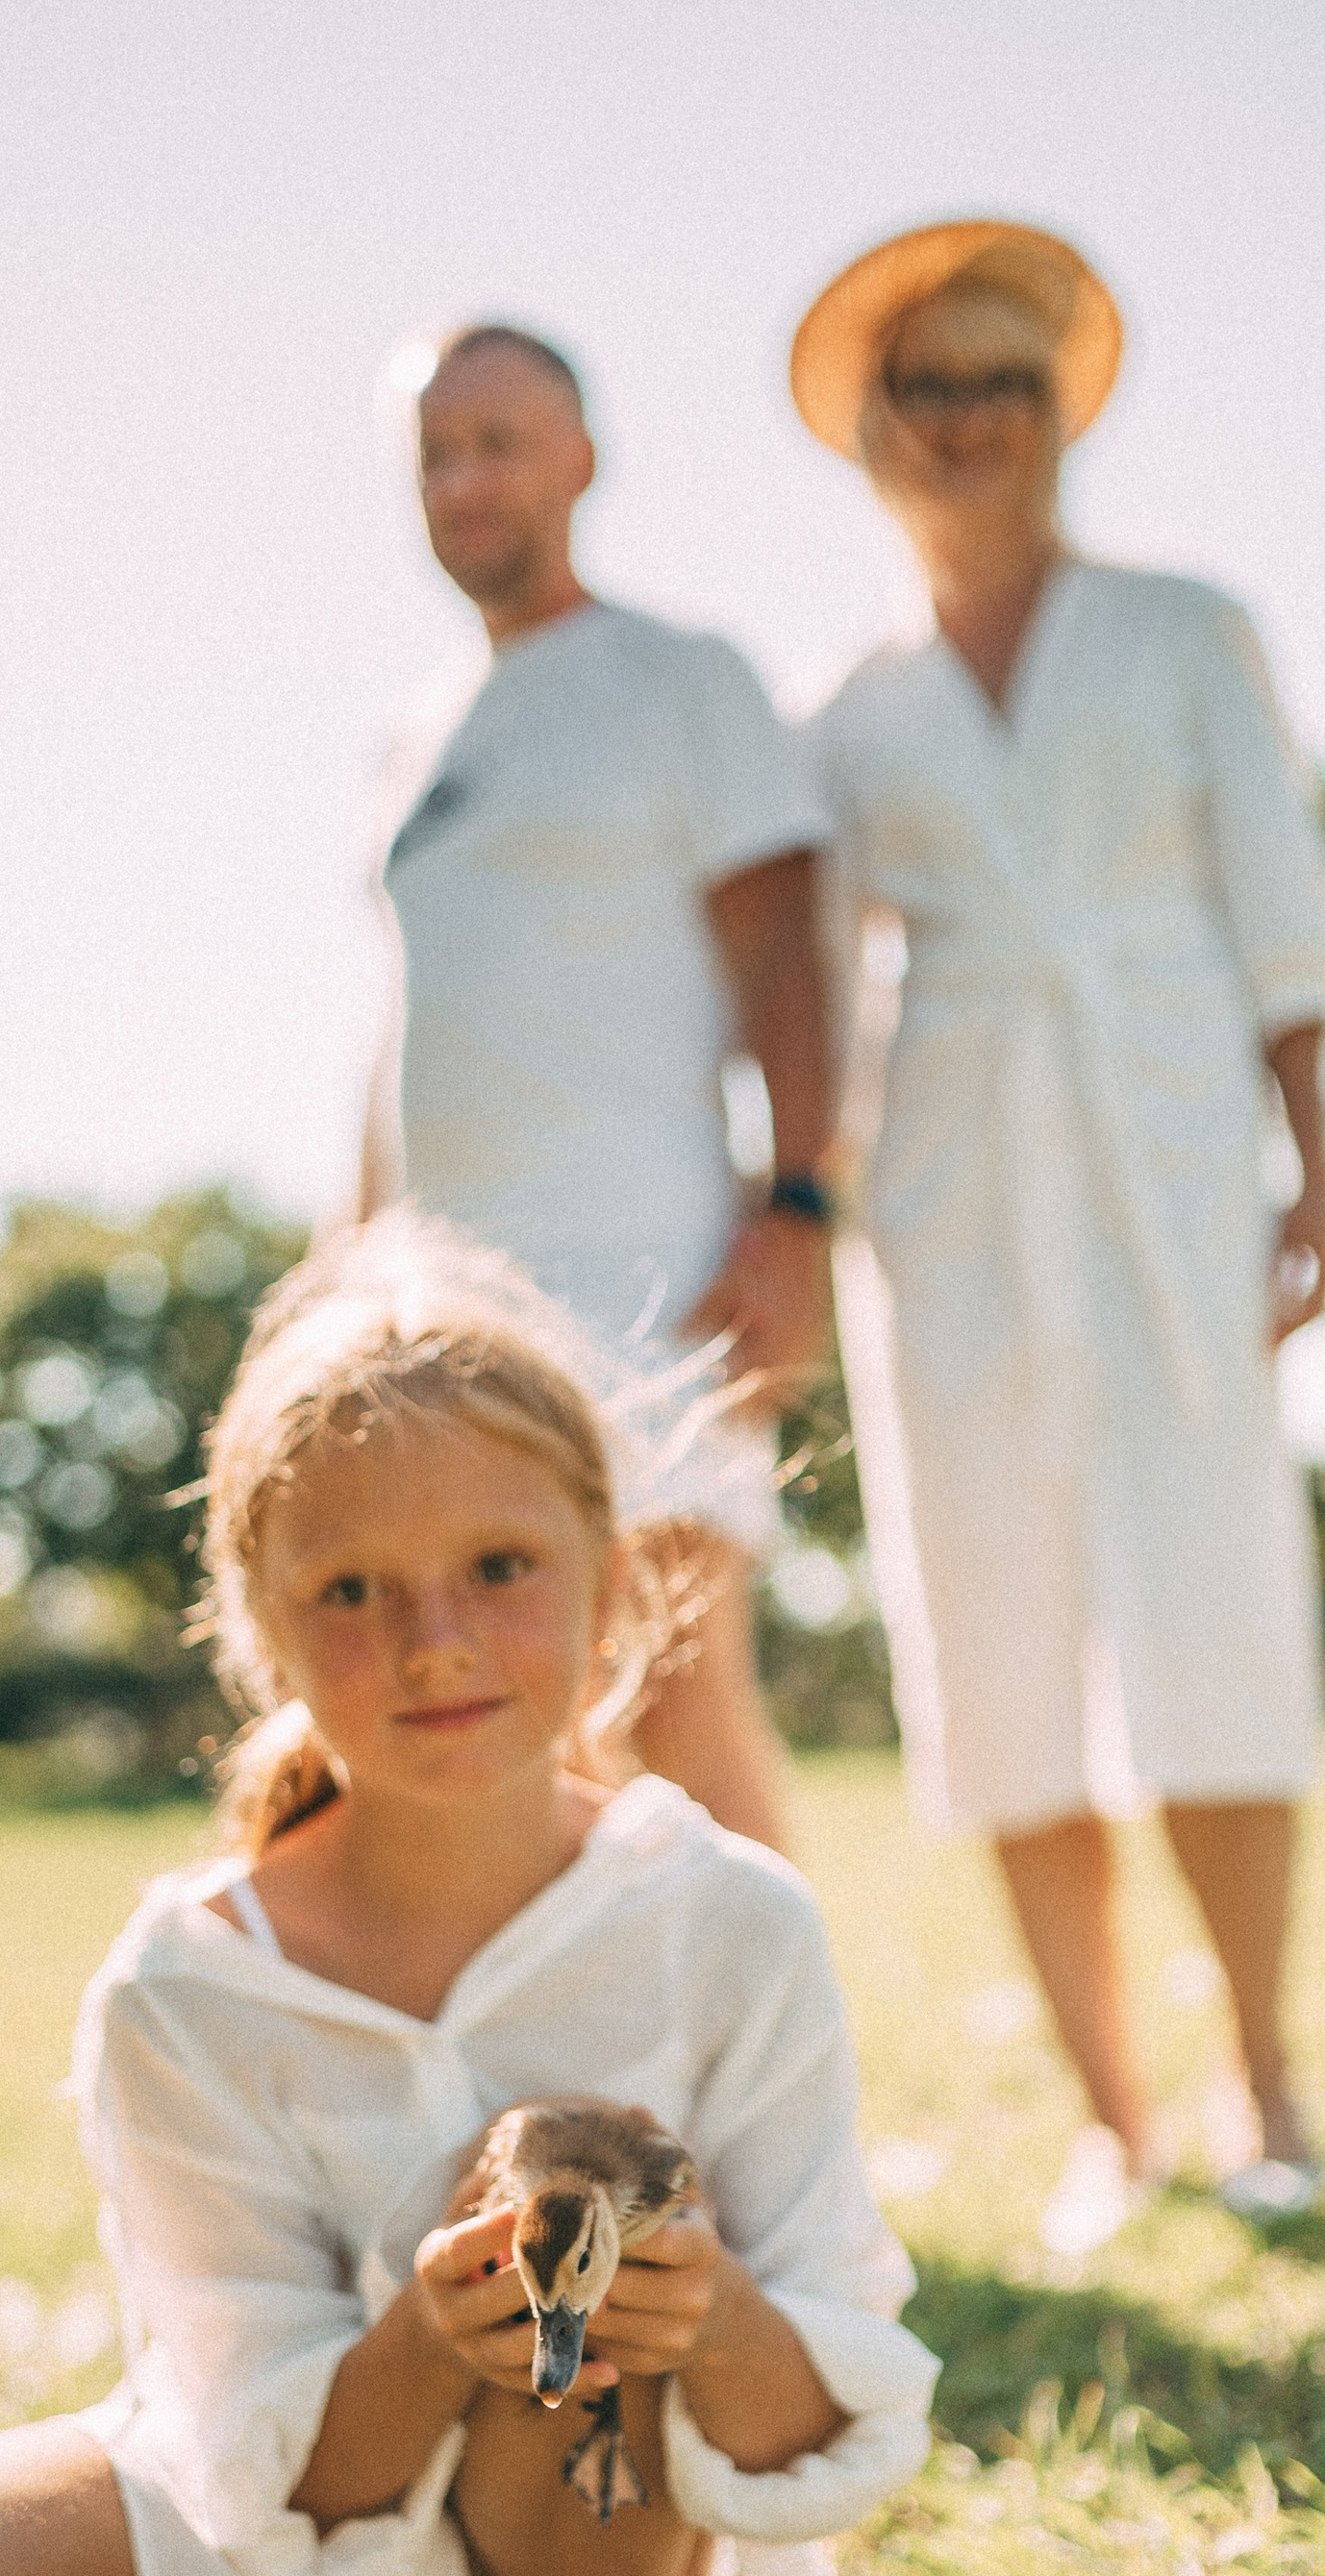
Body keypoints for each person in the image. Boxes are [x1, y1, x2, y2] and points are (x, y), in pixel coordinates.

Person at [0, 1229, 936, 2576]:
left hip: (600, 2574)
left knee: (589, 2226)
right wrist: (424, 2330)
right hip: (282, 2572)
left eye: (499, 1564)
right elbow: (247, 2445)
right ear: (260, 1629)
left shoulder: (728, 1920)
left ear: (616, 1577)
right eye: (350, 1591)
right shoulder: (187, 1988)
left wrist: (694, 2310)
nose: (432, 1643)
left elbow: (818, 2429)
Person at [791, 222, 1325, 2252]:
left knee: (1207, 1605)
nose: (963, 422)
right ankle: (1115, 2121)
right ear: (871, 432)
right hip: (942, 1214)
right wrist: (801, 1199)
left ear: (1059, 413)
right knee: (999, 1645)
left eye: (998, 385)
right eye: (923, 389)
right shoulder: (840, 711)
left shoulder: (1185, 632)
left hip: (1170, 1173)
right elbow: (805, 982)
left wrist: (1310, 1174)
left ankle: (1266, 2074)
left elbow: (1279, 916)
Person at [358, 322, 840, 1854]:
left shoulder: (679, 680)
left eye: (498, 441)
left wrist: (800, 1212)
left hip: (656, 1277)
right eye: (436, 452)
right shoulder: (413, 739)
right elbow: (404, 1034)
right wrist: (346, 1278)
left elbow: (789, 962)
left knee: (675, 1692)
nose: (466, 479)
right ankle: (583, 2097)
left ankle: (787, 2095)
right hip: (453, 1298)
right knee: (513, 1741)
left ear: (582, 458)